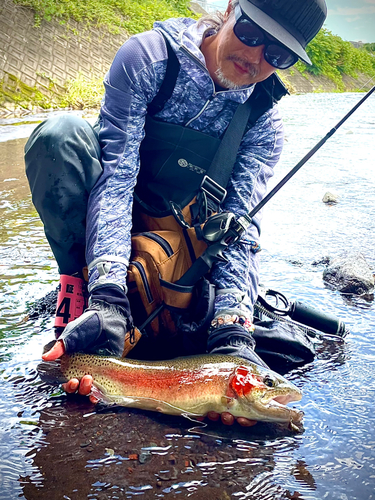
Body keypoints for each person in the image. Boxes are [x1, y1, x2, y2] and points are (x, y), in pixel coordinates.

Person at [25, 0, 327, 426]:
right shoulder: (148, 58)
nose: (255, 58)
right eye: (252, 34)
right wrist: (108, 295)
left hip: (182, 237)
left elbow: (240, 224)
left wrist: (232, 327)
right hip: (116, 204)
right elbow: (115, 178)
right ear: (229, 10)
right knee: (60, 138)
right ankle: (78, 284)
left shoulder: (264, 122)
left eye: (278, 55)